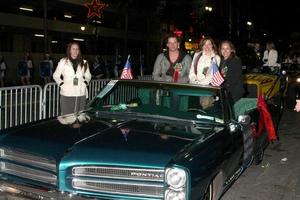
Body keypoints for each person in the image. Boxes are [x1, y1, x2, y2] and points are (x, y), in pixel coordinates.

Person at [53, 42, 91, 116]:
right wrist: (62, 84)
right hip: (67, 94)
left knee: (80, 117)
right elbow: (56, 75)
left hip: (81, 93)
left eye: (77, 49)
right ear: (69, 50)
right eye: (73, 49)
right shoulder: (63, 61)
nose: (75, 51)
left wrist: (85, 83)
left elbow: (88, 75)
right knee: (67, 117)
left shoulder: (84, 62)